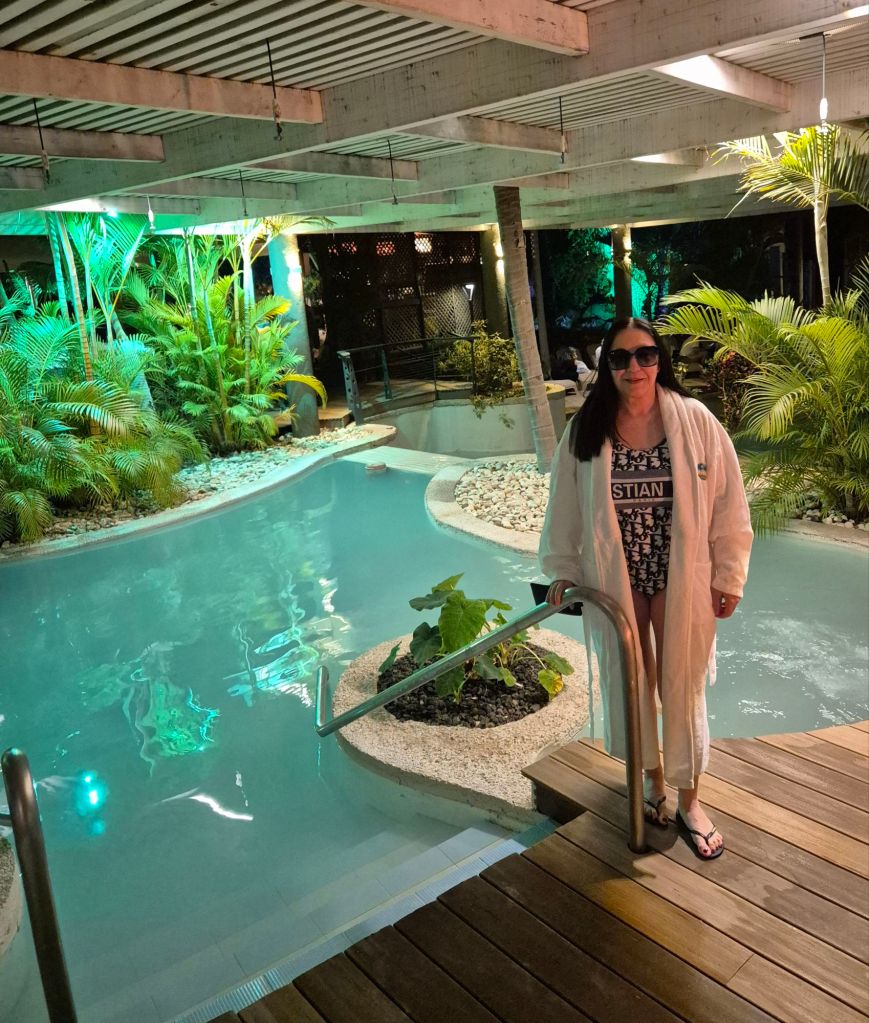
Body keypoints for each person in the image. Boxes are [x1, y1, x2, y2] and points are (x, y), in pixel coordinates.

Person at [539, 317, 752, 860]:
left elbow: (729, 504)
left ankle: (691, 801)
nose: (634, 367)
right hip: (618, 578)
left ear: (660, 360)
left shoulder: (695, 421)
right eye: (620, 357)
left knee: (683, 684)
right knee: (635, 682)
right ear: (606, 365)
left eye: (645, 355)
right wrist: (563, 568)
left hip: (682, 574)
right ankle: (654, 781)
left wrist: (728, 575)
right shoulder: (587, 428)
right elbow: (563, 505)